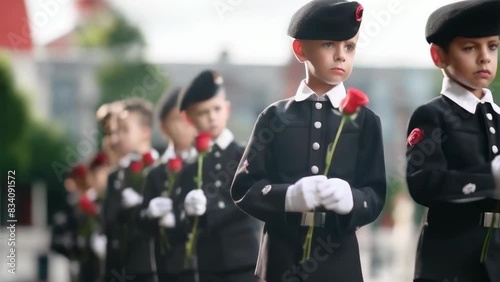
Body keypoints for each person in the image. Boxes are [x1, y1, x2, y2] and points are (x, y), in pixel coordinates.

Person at [230, 1, 386, 281]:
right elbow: (244, 188)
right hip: (280, 256)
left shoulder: (366, 121)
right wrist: (289, 196)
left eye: (349, 47)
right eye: (329, 45)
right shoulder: (273, 116)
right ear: (300, 50)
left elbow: (375, 194)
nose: (341, 56)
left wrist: (352, 197)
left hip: (339, 257)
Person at [405, 1, 500, 281]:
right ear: (439, 56)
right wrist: (490, 180)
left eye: (492, 46)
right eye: (470, 48)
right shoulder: (433, 115)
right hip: (450, 262)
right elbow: (423, 182)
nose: (484, 58)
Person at [175, 70, 260, 282]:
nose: (212, 117)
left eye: (216, 108)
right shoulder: (188, 167)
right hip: (206, 265)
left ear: (227, 109)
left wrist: (210, 206)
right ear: (188, 118)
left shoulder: (245, 155)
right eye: (203, 112)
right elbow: (181, 222)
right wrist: (186, 210)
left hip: (244, 261)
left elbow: (251, 200)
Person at [142, 87, 198, 282]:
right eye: (177, 119)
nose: (185, 125)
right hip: (167, 267)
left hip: (204, 267)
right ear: (163, 126)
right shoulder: (155, 173)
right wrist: (150, 213)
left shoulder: (205, 167)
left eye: (189, 118)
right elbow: (141, 227)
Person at [103, 98, 159, 282]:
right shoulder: (116, 176)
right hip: (119, 270)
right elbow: (109, 225)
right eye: (116, 130)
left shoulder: (162, 170)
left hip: (152, 271)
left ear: (145, 131)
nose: (118, 137)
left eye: (125, 130)